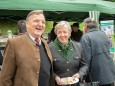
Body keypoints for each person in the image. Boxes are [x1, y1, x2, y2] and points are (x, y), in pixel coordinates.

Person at [0, 10, 54, 86]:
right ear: (27, 24)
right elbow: (5, 79)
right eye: (36, 21)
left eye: (43, 22)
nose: (40, 24)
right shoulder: (14, 43)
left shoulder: (44, 43)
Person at [49, 21, 88, 86]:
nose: (62, 35)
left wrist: (79, 74)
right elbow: (46, 68)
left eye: (65, 32)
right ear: (56, 33)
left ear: (69, 33)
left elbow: (84, 65)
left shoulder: (78, 46)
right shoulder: (49, 48)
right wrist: (55, 77)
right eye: (59, 32)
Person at [80, 18, 115, 86]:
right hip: (109, 73)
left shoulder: (85, 37)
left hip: (96, 76)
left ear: (86, 26)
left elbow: (86, 60)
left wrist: (83, 76)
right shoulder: (103, 34)